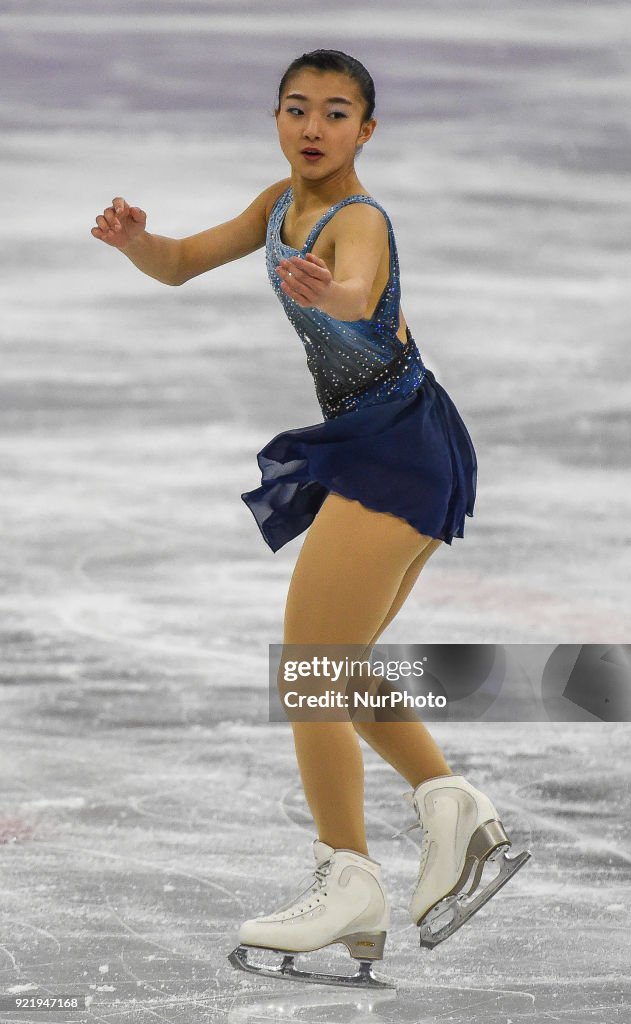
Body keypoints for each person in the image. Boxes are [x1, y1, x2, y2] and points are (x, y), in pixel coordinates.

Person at [91, 48, 530, 991]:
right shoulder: (274, 205)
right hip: (386, 438)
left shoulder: (357, 216)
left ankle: (348, 877)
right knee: (338, 662)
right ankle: (454, 810)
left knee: (310, 669)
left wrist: (328, 292)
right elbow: (179, 264)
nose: (314, 127)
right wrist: (138, 243)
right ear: (277, 118)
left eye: (337, 113)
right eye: (297, 109)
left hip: (395, 446)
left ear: (365, 130)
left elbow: (360, 288)